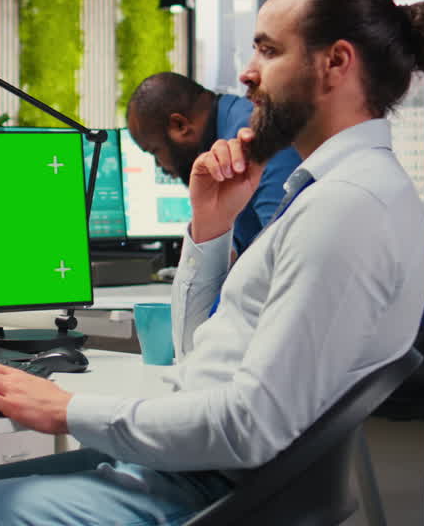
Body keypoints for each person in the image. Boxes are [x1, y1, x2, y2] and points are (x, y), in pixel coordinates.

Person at [0, 0, 424, 526]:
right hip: (201, 471)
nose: (246, 73)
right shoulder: (346, 192)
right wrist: (210, 230)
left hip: (207, 489)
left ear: (335, 64)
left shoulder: (344, 209)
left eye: (267, 50)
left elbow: (248, 426)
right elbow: (198, 364)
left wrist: (64, 408)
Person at [126, 73, 301, 357]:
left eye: (155, 151)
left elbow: (286, 268)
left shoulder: (253, 138)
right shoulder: (225, 143)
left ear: (180, 125)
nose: (160, 166)